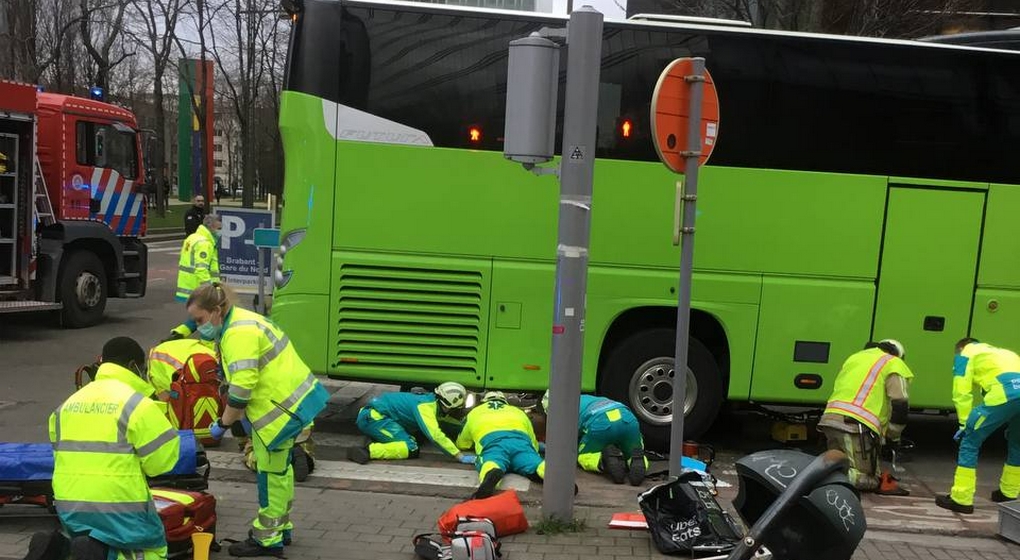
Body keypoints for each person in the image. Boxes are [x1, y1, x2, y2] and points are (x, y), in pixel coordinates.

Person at [186, 282, 330, 556]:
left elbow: (241, 390)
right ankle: (280, 528)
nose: (198, 326)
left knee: (270, 476)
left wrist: (222, 425)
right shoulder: (240, 322)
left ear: (217, 310)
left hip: (277, 412)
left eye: (200, 320)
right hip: (290, 404)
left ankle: (267, 539)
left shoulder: (238, 333)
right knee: (281, 471)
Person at [49, 337, 180, 560]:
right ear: (132, 366)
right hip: (121, 508)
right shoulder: (138, 405)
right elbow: (161, 464)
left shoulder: (67, 405)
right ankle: (100, 554)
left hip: (69, 507)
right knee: (153, 548)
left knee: (89, 539)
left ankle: (59, 549)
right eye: (143, 369)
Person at [817, 339, 913, 496]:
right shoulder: (894, 363)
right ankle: (824, 482)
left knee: (837, 464)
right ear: (898, 354)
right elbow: (900, 404)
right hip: (854, 425)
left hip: (830, 419)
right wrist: (892, 436)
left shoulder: (855, 357)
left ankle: (826, 480)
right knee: (863, 479)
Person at [936, 338, 1020, 514]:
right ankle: (1008, 493)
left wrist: (964, 424)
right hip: (1013, 394)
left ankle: (961, 499)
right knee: (1017, 443)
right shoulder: (1006, 353)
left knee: (969, 442)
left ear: (960, 348)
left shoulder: (965, 354)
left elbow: (961, 392)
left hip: (1004, 394)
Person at [347, 383, 475, 465]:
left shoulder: (430, 401)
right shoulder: (425, 408)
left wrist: (466, 427)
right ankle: (367, 451)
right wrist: (458, 455)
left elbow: (443, 422)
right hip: (374, 418)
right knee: (411, 447)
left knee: (418, 435)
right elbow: (435, 435)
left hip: (378, 415)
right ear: (449, 405)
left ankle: (380, 438)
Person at [541, 390, 647, 486]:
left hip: (600, 423)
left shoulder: (564, 413)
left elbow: (565, 443)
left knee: (584, 456)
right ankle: (635, 459)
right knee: (633, 448)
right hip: (628, 418)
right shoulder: (584, 398)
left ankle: (603, 461)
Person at [456, 391, 545, 499]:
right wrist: (534, 450)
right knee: (534, 462)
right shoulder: (518, 412)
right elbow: (533, 441)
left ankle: (492, 472)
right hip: (520, 441)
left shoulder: (474, 412)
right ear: (504, 401)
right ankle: (544, 471)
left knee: (490, 461)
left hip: (493, 442)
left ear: (485, 401)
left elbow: (462, 443)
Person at [175, 214, 221, 303]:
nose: (219, 232)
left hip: (187, 286)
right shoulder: (204, 243)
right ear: (211, 226)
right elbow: (201, 269)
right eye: (218, 229)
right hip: (198, 289)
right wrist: (210, 290)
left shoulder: (192, 237)